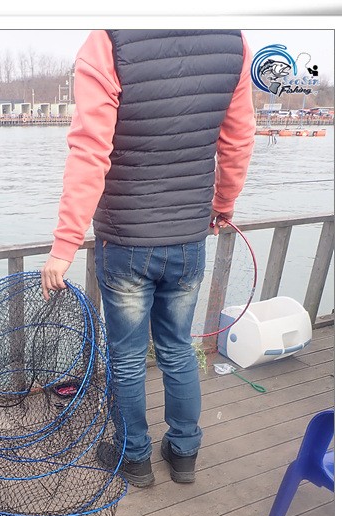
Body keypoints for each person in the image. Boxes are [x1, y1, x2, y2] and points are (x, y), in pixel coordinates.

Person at [40, 29, 256, 487]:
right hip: (188, 238)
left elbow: (89, 151)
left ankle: (134, 457)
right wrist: (223, 205)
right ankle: (184, 452)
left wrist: (64, 246)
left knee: (127, 357)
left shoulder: (109, 39)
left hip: (127, 240)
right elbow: (237, 140)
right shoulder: (233, 41)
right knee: (177, 348)